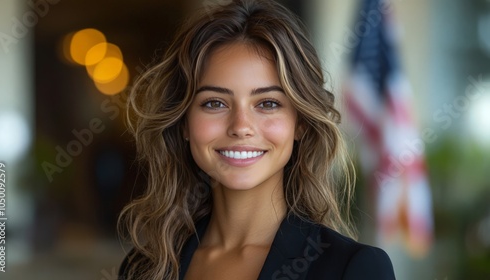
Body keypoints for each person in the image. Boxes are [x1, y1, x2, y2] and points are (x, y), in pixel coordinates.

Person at [118, 0, 396, 279]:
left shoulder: (353, 268)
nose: (241, 127)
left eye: (267, 103)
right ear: (184, 124)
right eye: (215, 103)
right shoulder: (143, 266)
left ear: (299, 123)